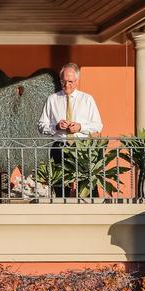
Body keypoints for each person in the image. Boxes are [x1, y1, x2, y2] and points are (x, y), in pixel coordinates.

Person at [38, 63, 103, 196]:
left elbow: (98, 125)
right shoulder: (52, 99)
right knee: (61, 188)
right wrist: (56, 127)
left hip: (83, 148)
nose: (67, 84)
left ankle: (91, 212)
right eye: (63, 81)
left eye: (70, 81)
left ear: (77, 81)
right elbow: (41, 125)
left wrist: (81, 127)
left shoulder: (87, 99)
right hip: (60, 147)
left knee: (88, 186)